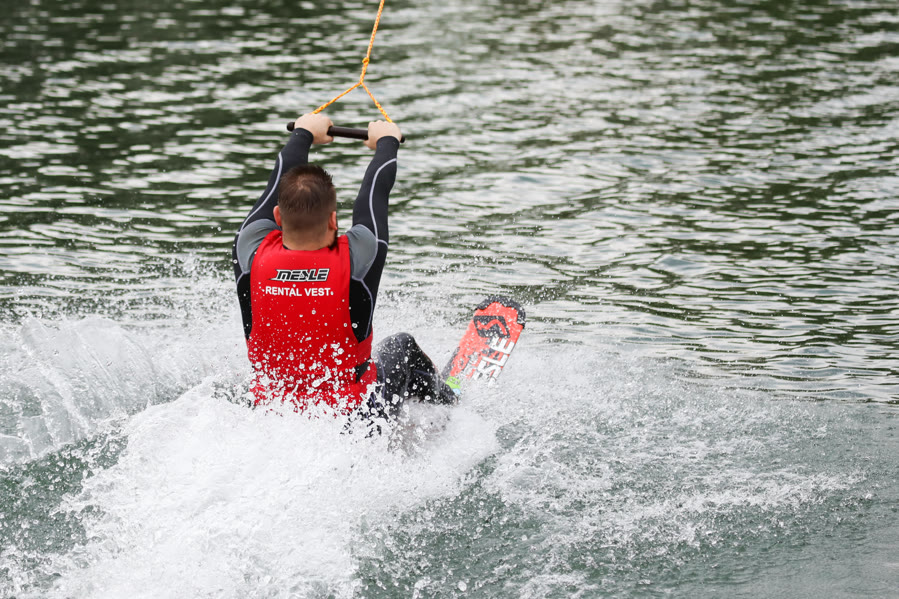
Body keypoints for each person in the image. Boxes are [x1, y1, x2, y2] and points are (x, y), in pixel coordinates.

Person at [231, 112, 455, 417]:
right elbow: (375, 193)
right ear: (333, 220)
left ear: (278, 217)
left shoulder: (250, 251)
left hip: (270, 412)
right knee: (402, 346)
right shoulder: (357, 256)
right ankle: (453, 408)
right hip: (357, 421)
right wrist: (387, 141)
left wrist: (303, 133)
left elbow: (275, 184)